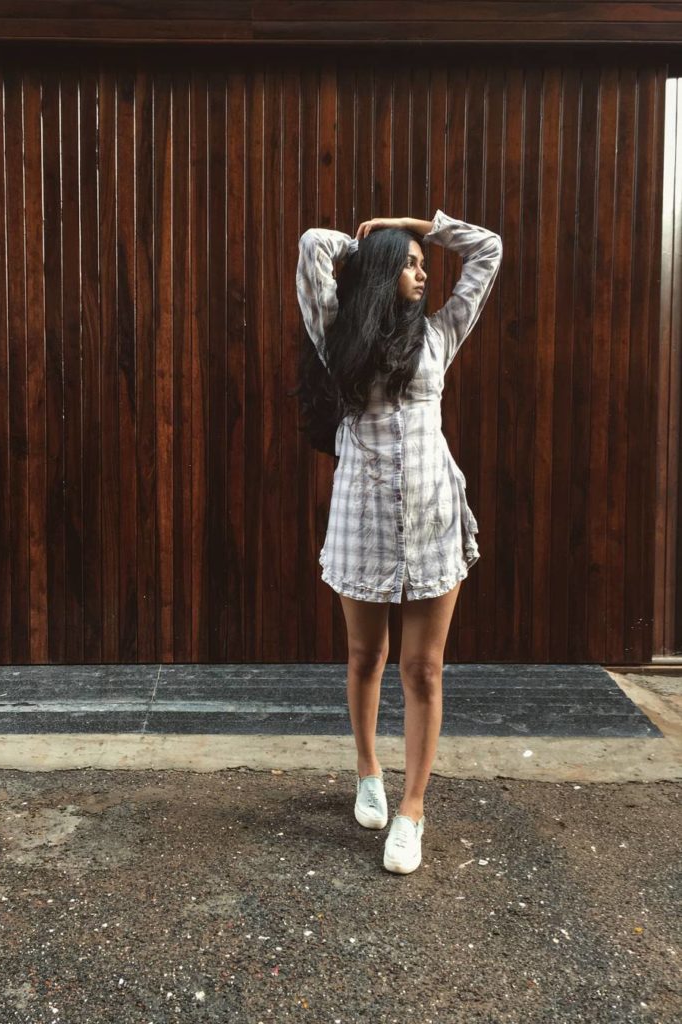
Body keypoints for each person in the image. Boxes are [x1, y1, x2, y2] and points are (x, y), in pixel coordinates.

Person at [295, 210, 503, 875]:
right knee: (365, 657)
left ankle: (412, 809)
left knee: (423, 668)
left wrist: (420, 225)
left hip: (433, 518)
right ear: (384, 271)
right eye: (409, 263)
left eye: (423, 264)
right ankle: (368, 772)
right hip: (360, 521)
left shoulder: (440, 334)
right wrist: (368, 244)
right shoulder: (337, 335)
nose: (421, 272)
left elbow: (488, 250)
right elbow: (312, 248)